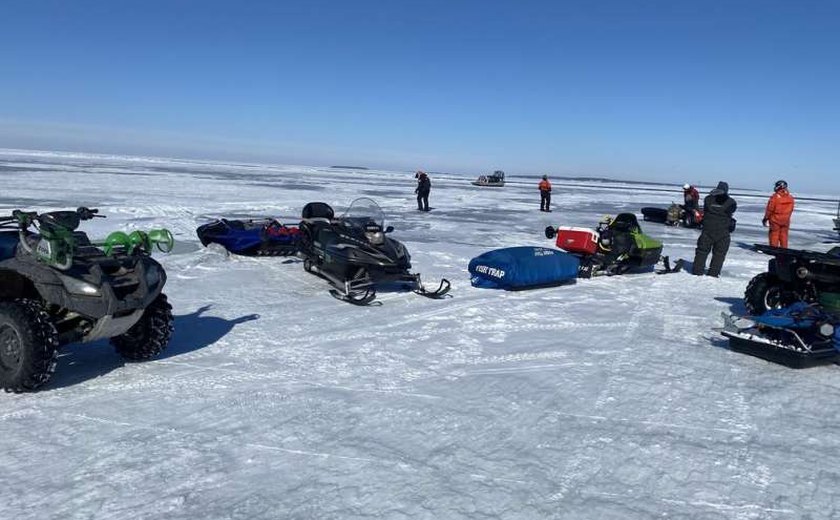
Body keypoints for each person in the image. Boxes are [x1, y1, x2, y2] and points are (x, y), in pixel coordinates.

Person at [692, 181, 737, 277]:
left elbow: (706, 209)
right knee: (719, 254)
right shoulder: (731, 202)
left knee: (702, 251)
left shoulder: (708, 199)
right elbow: (732, 210)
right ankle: (713, 273)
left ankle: (697, 271)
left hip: (708, 229)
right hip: (722, 231)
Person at [763, 180, 795, 248]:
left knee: (774, 234)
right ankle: (784, 248)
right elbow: (791, 209)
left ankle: (774, 249)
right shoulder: (790, 197)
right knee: (784, 235)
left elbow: (770, 209)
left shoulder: (775, 197)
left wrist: (766, 218)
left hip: (775, 219)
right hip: (786, 220)